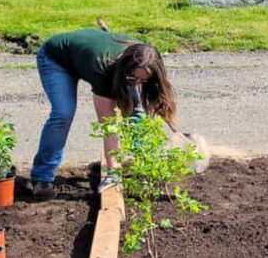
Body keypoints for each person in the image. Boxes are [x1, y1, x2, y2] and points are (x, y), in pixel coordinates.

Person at [30, 27, 176, 199]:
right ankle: (42, 177)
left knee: (136, 113)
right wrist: (113, 174)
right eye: (134, 79)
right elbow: (109, 126)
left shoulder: (146, 57)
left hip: (90, 58)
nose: (137, 84)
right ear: (126, 69)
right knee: (63, 114)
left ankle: (144, 170)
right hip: (57, 60)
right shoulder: (104, 68)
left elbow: (158, 101)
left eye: (143, 81)